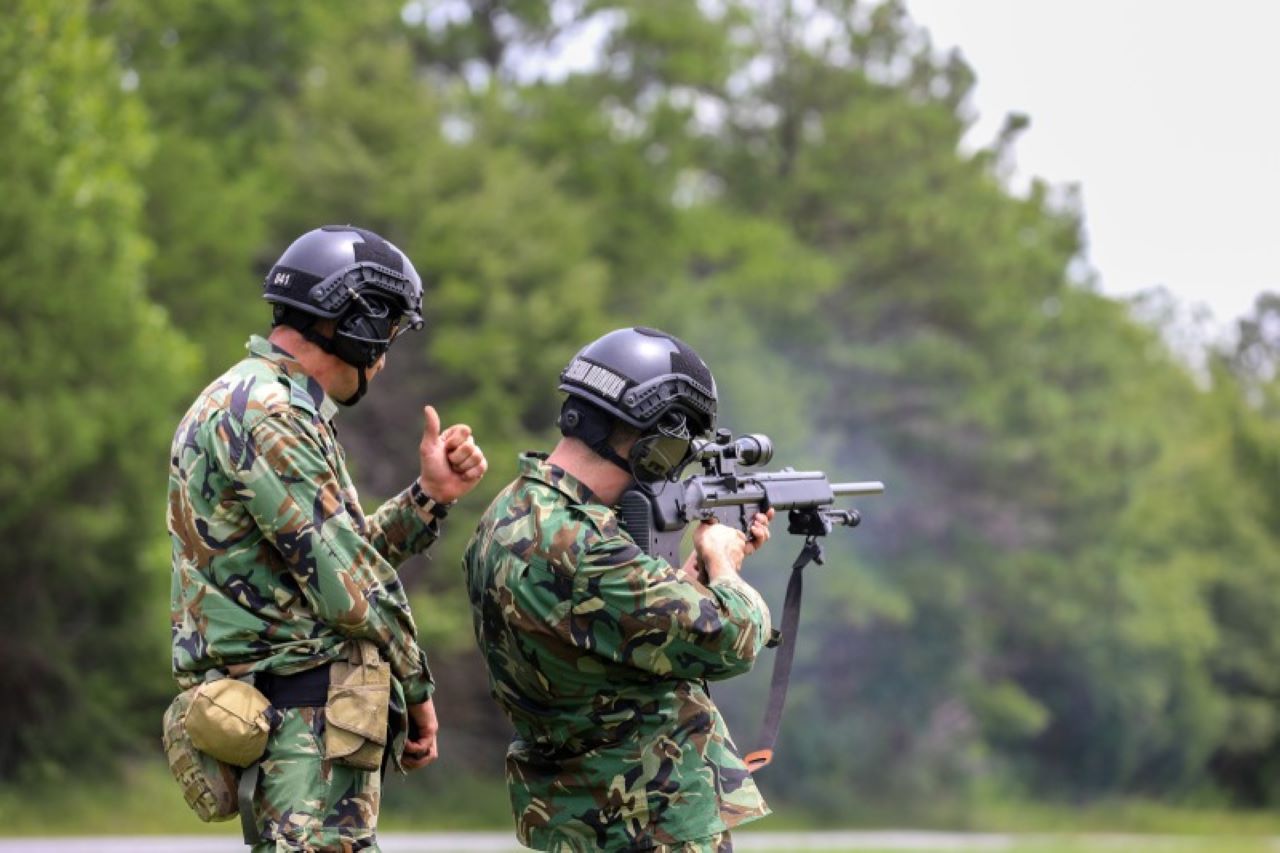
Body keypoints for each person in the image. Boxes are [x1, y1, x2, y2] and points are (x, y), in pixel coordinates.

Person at [168, 224, 487, 851]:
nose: (386, 356)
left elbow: (326, 559)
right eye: (388, 332)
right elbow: (350, 589)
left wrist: (429, 496)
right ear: (357, 322)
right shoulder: (272, 414)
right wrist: (419, 690)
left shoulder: (245, 399)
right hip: (302, 728)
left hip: (282, 721)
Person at [463, 327, 775, 853]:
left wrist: (694, 576)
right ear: (659, 440)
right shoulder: (582, 547)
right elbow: (733, 637)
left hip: (577, 817)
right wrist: (725, 564)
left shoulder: (512, 512)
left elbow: (612, 630)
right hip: (644, 819)